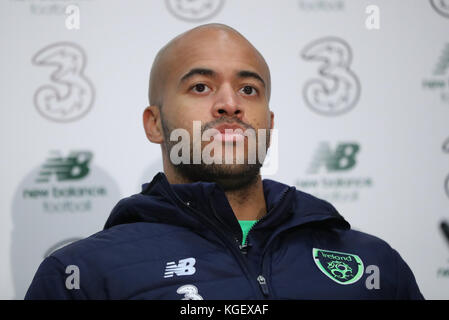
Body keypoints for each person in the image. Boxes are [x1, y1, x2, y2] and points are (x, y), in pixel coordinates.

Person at [25, 23, 424, 300]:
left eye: (249, 89)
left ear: (269, 123)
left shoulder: (373, 262)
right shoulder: (80, 275)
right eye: (201, 86)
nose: (230, 104)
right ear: (154, 124)